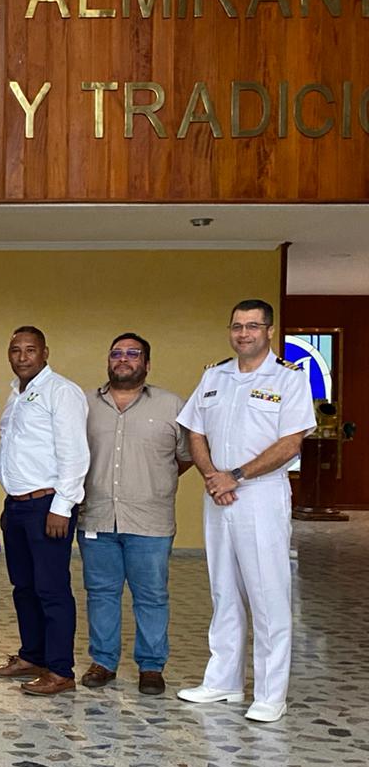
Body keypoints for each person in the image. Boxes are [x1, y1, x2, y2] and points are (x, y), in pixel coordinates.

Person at [175, 299, 314, 722]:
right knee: (223, 590)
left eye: (253, 326)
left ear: (269, 331)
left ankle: (271, 694)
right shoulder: (214, 375)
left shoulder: (288, 379)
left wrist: (235, 474)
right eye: (237, 326)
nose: (243, 333)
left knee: (268, 594)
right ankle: (224, 681)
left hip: (260, 495)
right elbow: (194, 429)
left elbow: (291, 443)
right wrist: (213, 475)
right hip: (218, 493)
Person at [79, 333, 193, 697]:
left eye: (133, 354)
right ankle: (104, 661)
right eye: (116, 353)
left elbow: (187, 456)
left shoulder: (172, 405)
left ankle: (151, 666)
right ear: (108, 360)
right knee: (101, 593)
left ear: (146, 363)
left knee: (152, 595)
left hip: (150, 520)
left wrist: (153, 481)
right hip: (96, 516)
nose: (123, 359)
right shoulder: (84, 406)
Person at [0, 326, 89, 695]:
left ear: (45, 352)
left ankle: (60, 670)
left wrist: (63, 506)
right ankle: (32, 655)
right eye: (15, 350)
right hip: (18, 506)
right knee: (23, 587)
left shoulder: (61, 392)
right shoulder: (17, 394)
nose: (22, 356)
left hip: (48, 506)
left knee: (52, 589)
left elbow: (75, 454)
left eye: (30, 350)